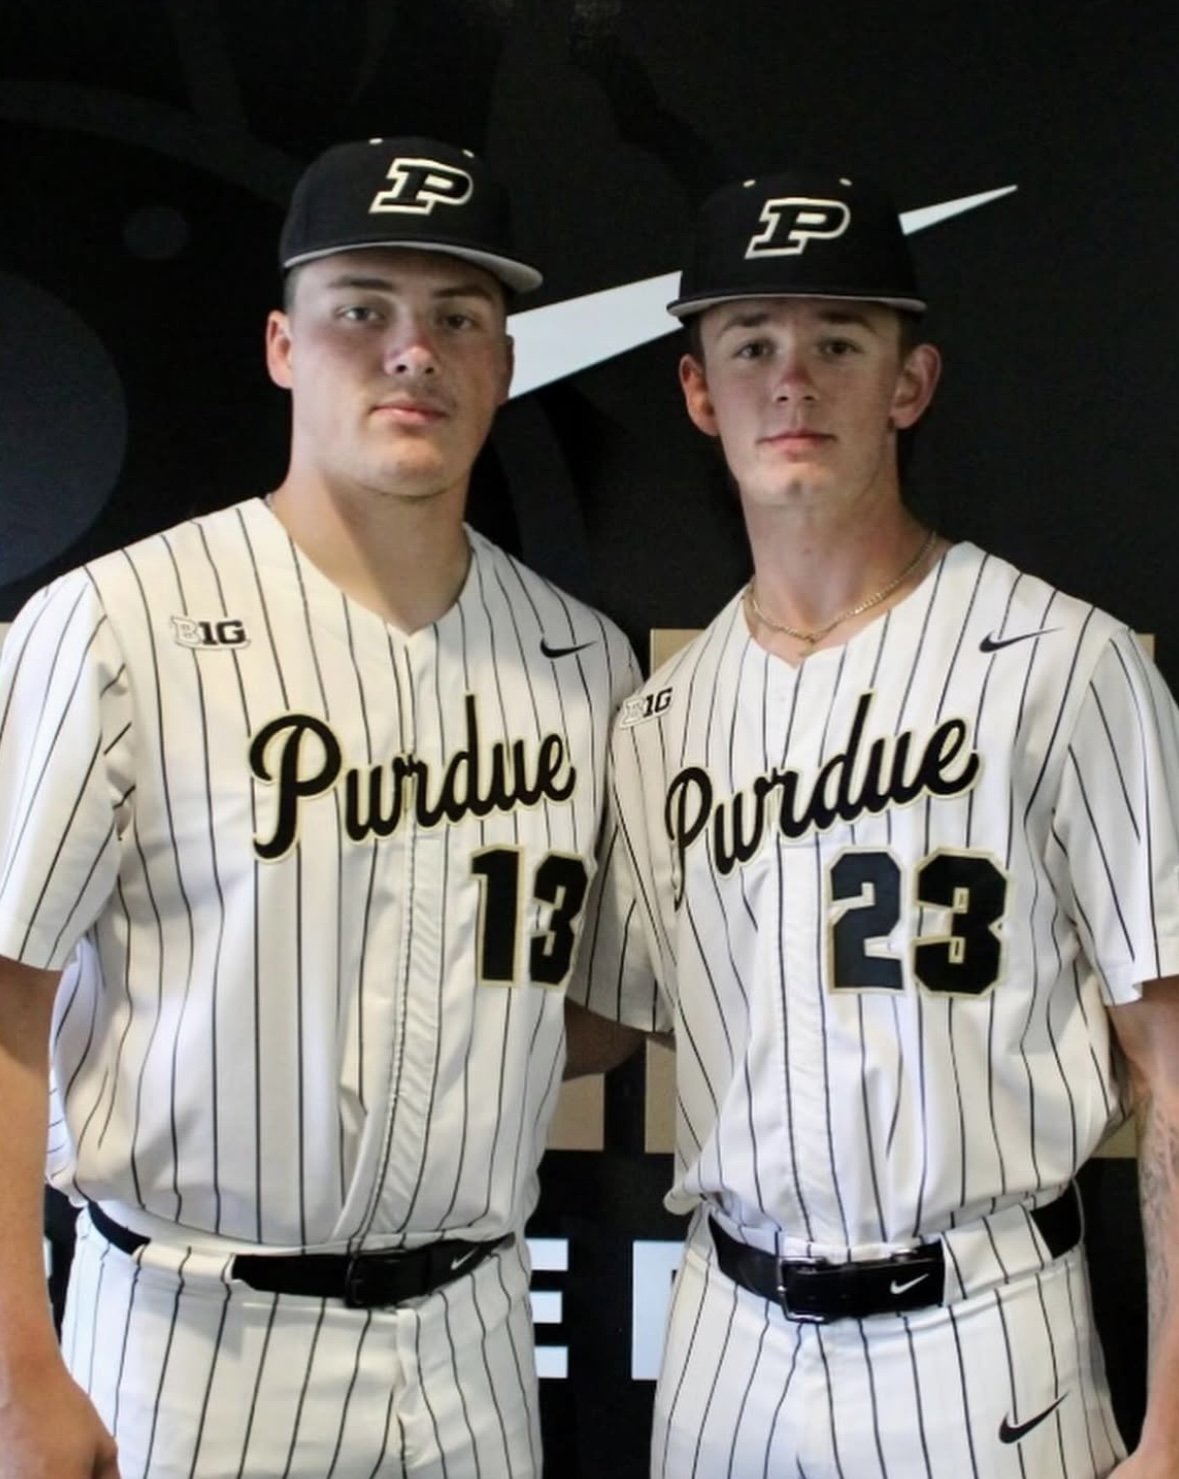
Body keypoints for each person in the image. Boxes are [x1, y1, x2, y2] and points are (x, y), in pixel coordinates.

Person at [0, 135, 638, 1479]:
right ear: (285, 344)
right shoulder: (118, 622)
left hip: (473, 1337)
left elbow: (588, 1022)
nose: (414, 350)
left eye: (459, 317)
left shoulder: (584, 659)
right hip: (192, 1340)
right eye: (363, 309)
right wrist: (17, 1379)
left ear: (505, 364)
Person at [569, 167, 1179, 1477]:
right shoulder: (660, 720)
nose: (792, 381)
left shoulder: (1064, 663)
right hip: (727, 1332)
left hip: (975, 1327)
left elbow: (1174, 1064)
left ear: (908, 383)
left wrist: (1177, 1429)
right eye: (751, 345)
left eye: (838, 342)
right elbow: (599, 1021)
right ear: (696, 392)